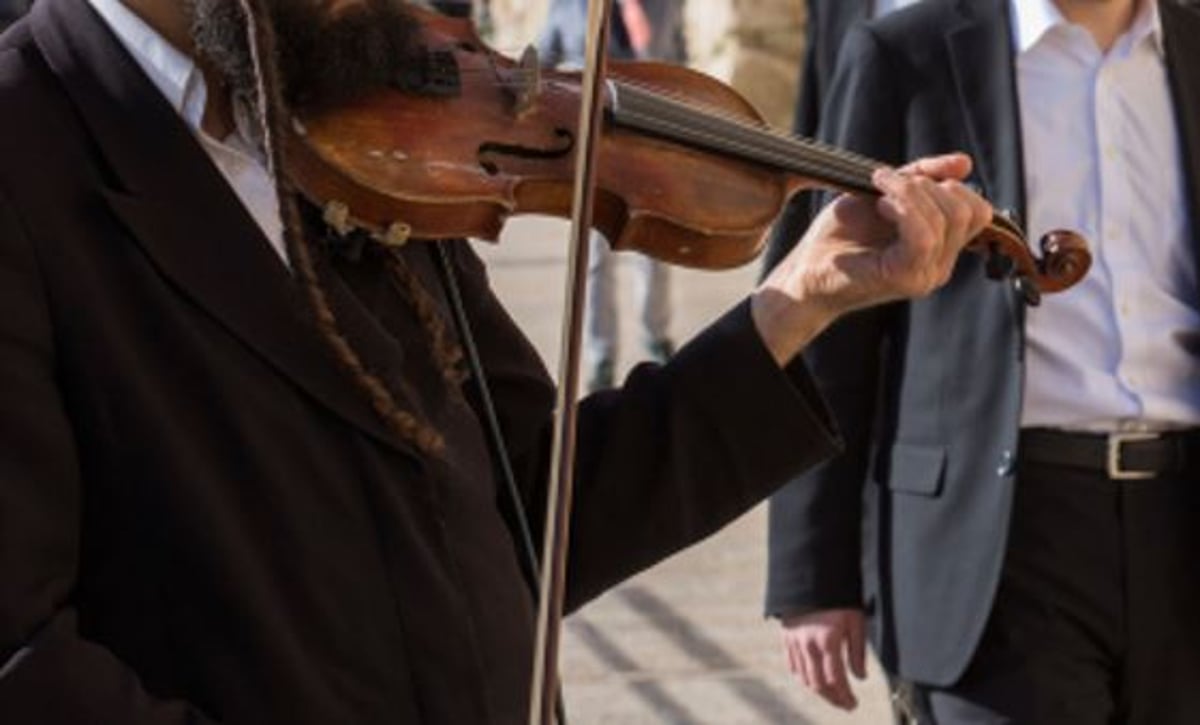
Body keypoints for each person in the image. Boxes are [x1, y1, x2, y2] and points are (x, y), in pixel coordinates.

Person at [0, 0, 991, 722]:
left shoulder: (360, 117)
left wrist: (796, 302)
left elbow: (539, 507)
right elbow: (24, 662)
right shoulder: (28, 155)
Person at [765, 0, 1200, 722]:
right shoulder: (908, 53)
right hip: (999, 538)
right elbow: (828, 322)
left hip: (1182, 526)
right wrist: (812, 573)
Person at [538, 0, 680, 390]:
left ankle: (657, 334)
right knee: (595, 254)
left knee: (652, 245)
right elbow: (545, 60)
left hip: (646, 140)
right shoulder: (568, 5)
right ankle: (601, 356)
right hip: (591, 143)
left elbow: (669, 62)